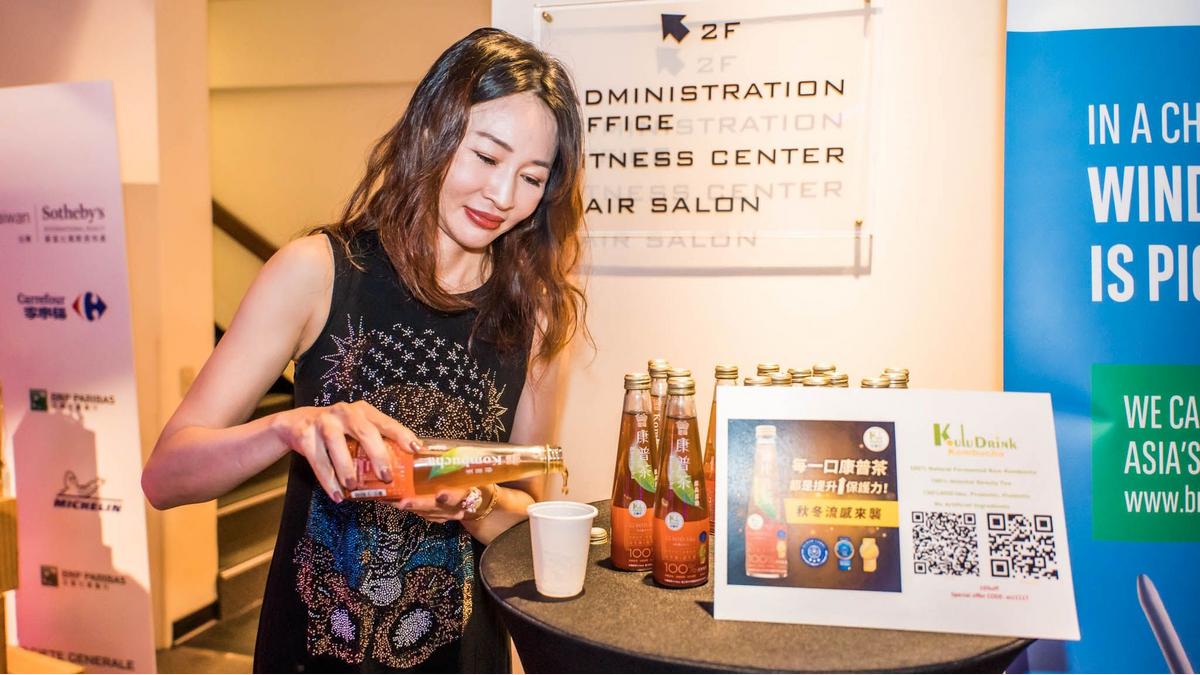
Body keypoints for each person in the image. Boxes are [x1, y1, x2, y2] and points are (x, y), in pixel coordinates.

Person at [141, 27, 586, 673]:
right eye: (487, 157)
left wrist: (471, 501)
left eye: (531, 178)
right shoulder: (318, 271)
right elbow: (164, 476)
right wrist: (290, 427)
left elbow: (526, 522)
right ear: (431, 131)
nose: (502, 196)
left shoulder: (536, 317)